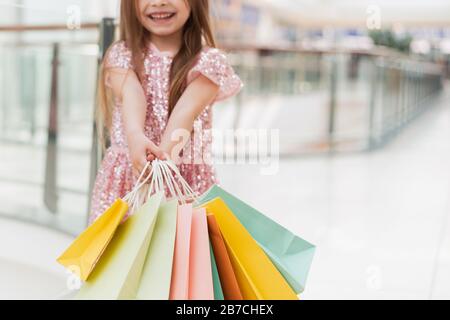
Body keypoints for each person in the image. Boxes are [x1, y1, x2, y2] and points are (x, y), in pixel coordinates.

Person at [89, 0, 243, 224]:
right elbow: (133, 95)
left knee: (183, 255)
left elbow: (185, 112)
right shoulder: (122, 54)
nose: (159, 2)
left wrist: (161, 161)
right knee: (120, 255)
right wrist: (135, 137)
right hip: (126, 183)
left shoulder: (210, 62)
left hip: (185, 184)